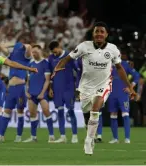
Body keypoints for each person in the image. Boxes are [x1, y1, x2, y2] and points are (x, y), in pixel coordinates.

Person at [51, 22, 136, 155]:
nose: (99, 34)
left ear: (106, 34)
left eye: (102, 32)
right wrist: (57, 67)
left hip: (104, 84)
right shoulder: (84, 46)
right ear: (93, 34)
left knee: (96, 108)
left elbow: (119, 68)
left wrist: (130, 87)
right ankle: (90, 132)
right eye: (97, 31)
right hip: (85, 86)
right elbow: (67, 58)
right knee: (86, 110)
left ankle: (89, 140)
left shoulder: (113, 49)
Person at [0, 36, 33, 142]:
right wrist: (14, 44)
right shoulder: (11, 57)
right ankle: (0, 135)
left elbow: (29, 47)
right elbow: (1, 46)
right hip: (11, 88)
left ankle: (18, 136)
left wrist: (21, 44)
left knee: (20, 111)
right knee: (6, 112)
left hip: (20, 88)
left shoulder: (26, 57)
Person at [48, 41, 78, 143]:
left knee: (70, 111)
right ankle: (63, 136)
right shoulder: (51, 58)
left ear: (59, 47)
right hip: (57, 89)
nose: (54, 54)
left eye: (55, 51)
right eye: (53, 52)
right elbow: (51, 74)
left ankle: (74, 136)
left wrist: (78, 86)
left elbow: (77, 70)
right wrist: (51, 88)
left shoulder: (69, 56)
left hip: (68, 88)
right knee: (60, 112)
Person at [23, 45, 54, 143]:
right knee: (32, 114)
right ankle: (33, 137)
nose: (34, 54)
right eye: (33, 52)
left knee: (46, 112)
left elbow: (47, 80)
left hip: (42, 93)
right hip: (31, 93)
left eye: (36, 52)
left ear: (40, 51)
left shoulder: (46, 63)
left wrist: (42, 93)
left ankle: (51, 136)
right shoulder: (30, 63)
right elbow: (28, 79)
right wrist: (26, 91)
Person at [107, 59, 139, 144]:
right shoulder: (107, 64)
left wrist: (130, 87)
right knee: (113, 115)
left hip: (123, 94)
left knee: (125, 114)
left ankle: (127, 138)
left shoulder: (124, 64)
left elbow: (136, 75)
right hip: (111, 94)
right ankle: (115, 138)